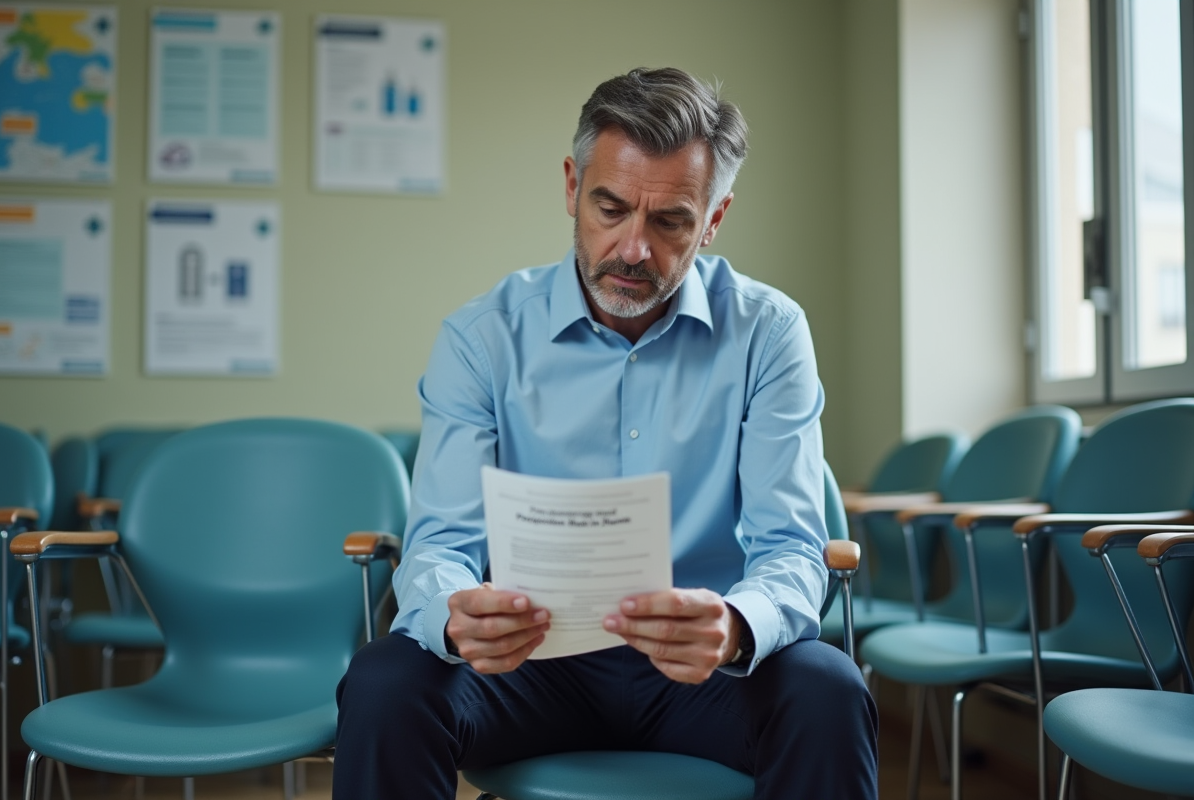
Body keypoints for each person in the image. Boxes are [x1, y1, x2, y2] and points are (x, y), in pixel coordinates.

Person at [333, 66, 878, 799]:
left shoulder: (769, 333)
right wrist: (454, 616)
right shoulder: (480, 338)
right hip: (528, 670)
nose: (632, 249)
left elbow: (789, 548)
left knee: (827, 688)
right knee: (386, 681)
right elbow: (442, 547)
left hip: (705, 670)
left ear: (713, 220)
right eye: (611, 208)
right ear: (571, 187)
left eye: (670, 222)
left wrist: (737, 626)